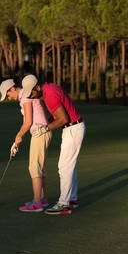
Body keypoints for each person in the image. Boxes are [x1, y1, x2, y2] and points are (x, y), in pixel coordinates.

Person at [21, 75, 85, 215]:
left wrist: (45, 128)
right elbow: (56, 114)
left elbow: (63, 118)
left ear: (37, 87)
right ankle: (72, 199)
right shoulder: (50, 88)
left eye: (31, 93)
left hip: (72, 128)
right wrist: (46, 124)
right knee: (69, 166)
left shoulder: (49, 94)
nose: (30, 96)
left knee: (64, 167)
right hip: (73, 127)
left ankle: (63, 204)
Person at [0, 77, 52, 212]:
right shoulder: (25, 95)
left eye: (8, 94)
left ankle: (37, 203)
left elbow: (28, 122)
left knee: (35, 167)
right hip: (42, 131)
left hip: (40, 132)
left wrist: (18, 136)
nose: (8, 98)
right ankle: (42, 199)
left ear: (12, 89)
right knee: (39, 167)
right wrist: (18, 138)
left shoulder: (25, 97)